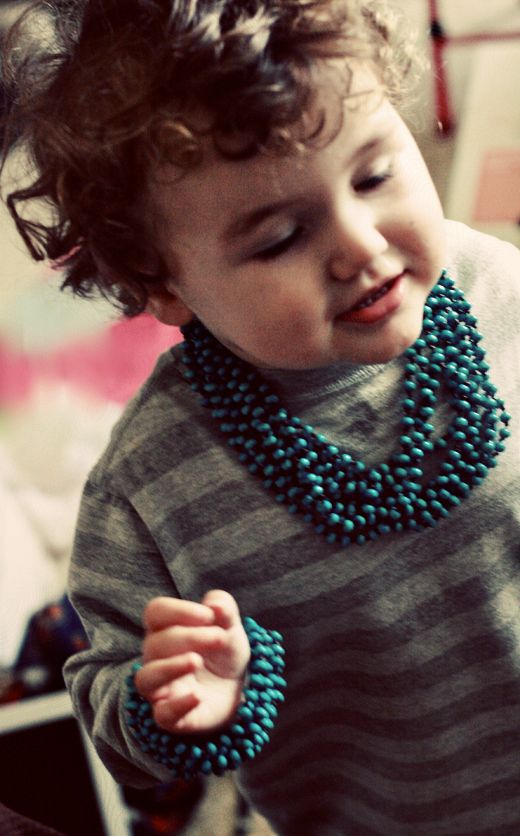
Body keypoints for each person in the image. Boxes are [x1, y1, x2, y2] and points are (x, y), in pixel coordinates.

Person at [2, 0, 520, 832]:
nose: (359, 244)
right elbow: (112, 711)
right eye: (280, 236)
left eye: (375, 175)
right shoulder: (148, 485)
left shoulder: (502, 289)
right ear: (163, 285)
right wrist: (169, 702)